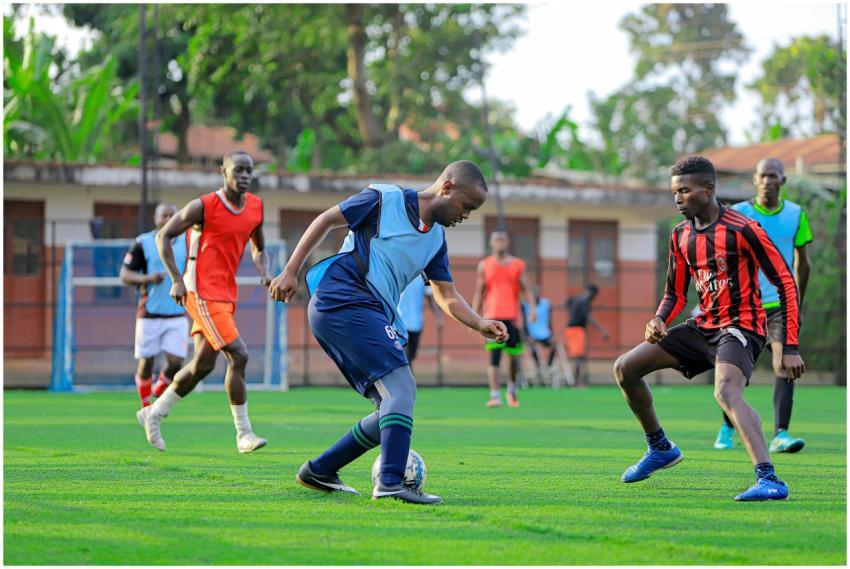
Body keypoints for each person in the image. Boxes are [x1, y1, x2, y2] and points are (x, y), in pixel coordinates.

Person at [269, 160, 507, 505]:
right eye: (466, 206)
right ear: (447, 187)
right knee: (402, 388)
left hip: (363, 311)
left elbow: (447, 294)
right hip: (344, 298)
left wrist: (480, 322)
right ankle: (392, 482)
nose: (465, 215)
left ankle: (320, 469)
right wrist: (290, 271)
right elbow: (326, 220)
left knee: (391, 408)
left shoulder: (435, 240)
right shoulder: (384, 199)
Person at [613, 156, 804, 502]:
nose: (678, 198)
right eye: (674, 192)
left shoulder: (743, 229)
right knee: (625, 368)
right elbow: (674, 292)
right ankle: (660, 447)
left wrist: (789, 346)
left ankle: (770, 479)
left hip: (741, 326)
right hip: (702, 325)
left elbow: (785, 282)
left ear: (709, 190)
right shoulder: (680, 235)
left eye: (684, 191)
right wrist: (658, 319)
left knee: (726, 392)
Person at [136, 150, 272, 453]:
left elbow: (258, 249)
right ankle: (243, 434)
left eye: (249, 170)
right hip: (200, 291)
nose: (245, 176)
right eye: (238, 170)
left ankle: (153, 413)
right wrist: (175, 278)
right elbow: (163, 237)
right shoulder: (204, 206)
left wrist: (265, 272)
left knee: (202, 365)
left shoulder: (255, 208)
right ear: (222, 171)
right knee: (239, 355)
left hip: (225, 294)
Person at [713, 157, 812, 453]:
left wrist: (797, 304)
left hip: (781, 304)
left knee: (785, 362)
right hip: (744, 305)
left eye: (774, 176)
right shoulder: (738, 213)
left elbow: (803, 264)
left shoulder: (796, 214)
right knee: (734, 368)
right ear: (754, 180)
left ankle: (781, 433)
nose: (768, 180)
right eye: (763, 175)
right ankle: (727, 427)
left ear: (783, 181)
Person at [120, 203, 189, 408]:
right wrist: (148, 278)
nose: (168, 219)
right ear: (156, 219)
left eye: (172, 215)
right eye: (164, 216)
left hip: (177, 312)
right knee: (146, 360)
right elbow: (124, 275)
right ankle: (146, 405)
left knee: (176, 362)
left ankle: (159, 389)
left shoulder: (186, 242)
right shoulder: (144, 243)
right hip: (149, 312)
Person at [472, 231, 536, 408]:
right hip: (491, 319)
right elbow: (480, 291)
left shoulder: (518, 265)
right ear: (491, 243)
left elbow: (527, 289)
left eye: (502, 240)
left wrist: (532, 309)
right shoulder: (484, 265)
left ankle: (512, 391)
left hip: (512, 319)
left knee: (514, 358)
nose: (500, 243)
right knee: (494, 358)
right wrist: (473, 317)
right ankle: (494, 396)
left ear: (507, 243)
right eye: (496, 240)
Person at [564, 284, 609, 386]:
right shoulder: (585, 300)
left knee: (578, 356)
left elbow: (567, 303)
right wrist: (602, 331)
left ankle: (576, 381)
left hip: (571, 329)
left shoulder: (577, 298)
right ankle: (576, 382)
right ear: (593, 293)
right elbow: (589, 317)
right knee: (579, 357)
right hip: (577, 330)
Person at [397, 274, 443, 367]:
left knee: (411, 356)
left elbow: (430, 298)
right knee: (405, 358)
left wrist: (439, 317)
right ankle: (407, 380)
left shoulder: (424, 276)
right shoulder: (399, 272)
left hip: (416, 324)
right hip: (400, 324)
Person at [522, 290, 557, 383]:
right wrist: (527, 336)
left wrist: (552, 334)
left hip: (545, 334)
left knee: (554, 345)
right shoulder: (525, 305)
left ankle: (548, 367)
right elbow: (524, 323)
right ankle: (538, 367)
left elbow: (549, 320)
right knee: (532, 347)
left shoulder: (545, 304)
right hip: (532, 335)